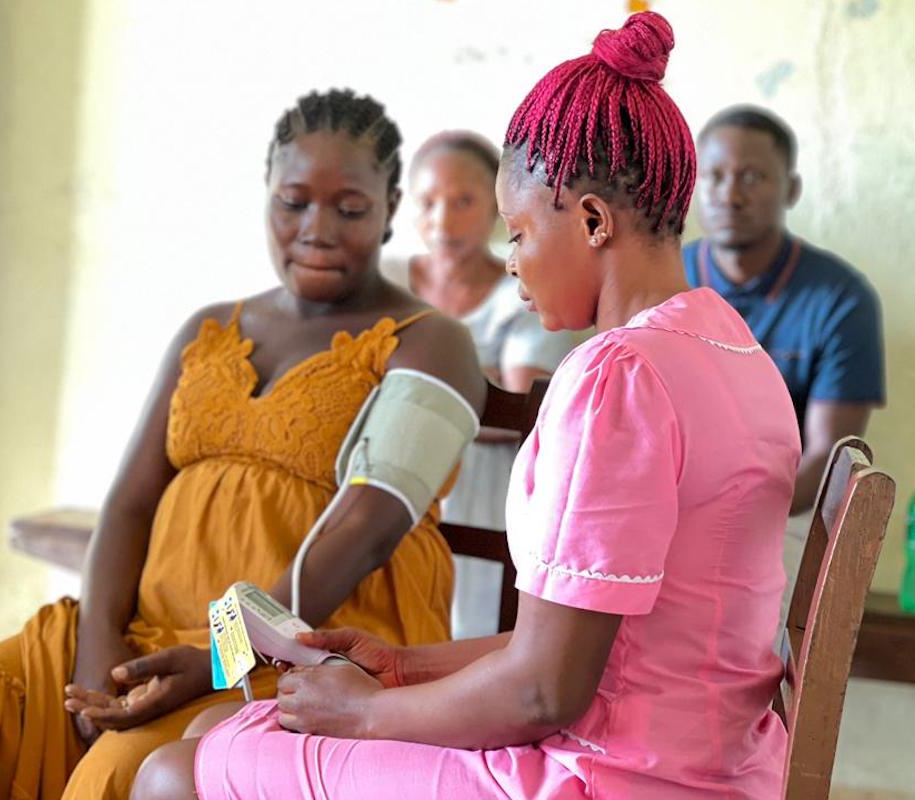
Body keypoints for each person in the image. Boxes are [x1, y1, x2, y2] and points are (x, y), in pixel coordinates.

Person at [132, 12, 801, 799]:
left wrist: (368, 714)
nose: (511, 263)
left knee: (175, 771)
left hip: (605, 775)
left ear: (591, 220)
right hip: (712, 763)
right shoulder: (732, 351)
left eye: (516, 232)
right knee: (225, 731)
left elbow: (545, 692)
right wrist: (401, 666)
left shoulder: (616, 378)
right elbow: (588, 652)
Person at [0, 88, 485, 800]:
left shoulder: (431, 341)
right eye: (293, 202)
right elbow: (130, 503)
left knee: (119, 770)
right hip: (146, 631)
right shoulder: (210, 329)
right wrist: (96, 649)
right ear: (266, 197)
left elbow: (366, 531)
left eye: (349, 208)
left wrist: (218, 659)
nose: (316, 229)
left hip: (303, 652)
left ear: (389, 209)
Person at [684, 105, 885, 625]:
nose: (729, 195)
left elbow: (828, 456)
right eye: (714, 176)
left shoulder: (840, 298)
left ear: (791, 189)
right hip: (667, 505)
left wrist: (727, 521)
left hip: (782, 517)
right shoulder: (665, 280)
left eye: (752, 177)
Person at [383, 130, 579, 638]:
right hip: (385, 484)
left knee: (464, 625)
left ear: (495, 208)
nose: (443, 220)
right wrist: (469, 383)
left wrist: (399, 385)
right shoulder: (383, 278)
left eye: (464, 201)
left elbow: (516, 411)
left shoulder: (521, 290)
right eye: (428, 202)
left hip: (481, 493)